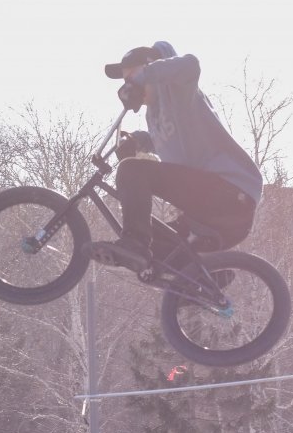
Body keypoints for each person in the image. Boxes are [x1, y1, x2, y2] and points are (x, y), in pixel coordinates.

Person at [88, 42, 262, 275]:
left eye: (133, 79)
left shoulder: (180, 90)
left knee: (132, 170)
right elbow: (165, 141)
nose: (130, 87)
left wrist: (146, 74)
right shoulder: (154, 115)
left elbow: (192, 65)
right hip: (211, 217)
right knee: (157, 250)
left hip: (232, 196)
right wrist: (138, 141)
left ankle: (135, 243)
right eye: (126, 82)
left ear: (151, 69)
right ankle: (205, 281)